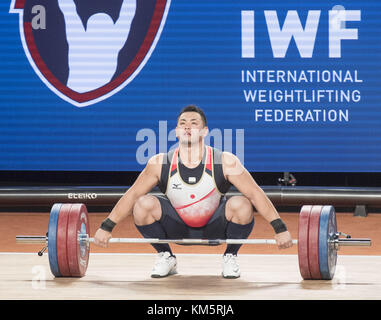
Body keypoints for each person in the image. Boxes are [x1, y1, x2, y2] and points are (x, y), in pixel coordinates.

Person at [94, 105, 293, 278]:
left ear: (205, 131)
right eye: (183, 123)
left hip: (215, 228)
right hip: (175, 228)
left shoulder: (225, 161)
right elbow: (132, 194)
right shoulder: (159, 163)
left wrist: (280, 229)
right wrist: (106, 226)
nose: (188, 126)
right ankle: (166, 256)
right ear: (176, 131)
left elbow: (255, 194)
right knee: (143, 203)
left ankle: (230, 256)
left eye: (194, 123)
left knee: (241, 203)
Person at [57, 0, 136, 92]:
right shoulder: (114, 44)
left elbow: (69, 11)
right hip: (94, 94)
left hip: (76, 90)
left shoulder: (78, 40)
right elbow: (127, 16)